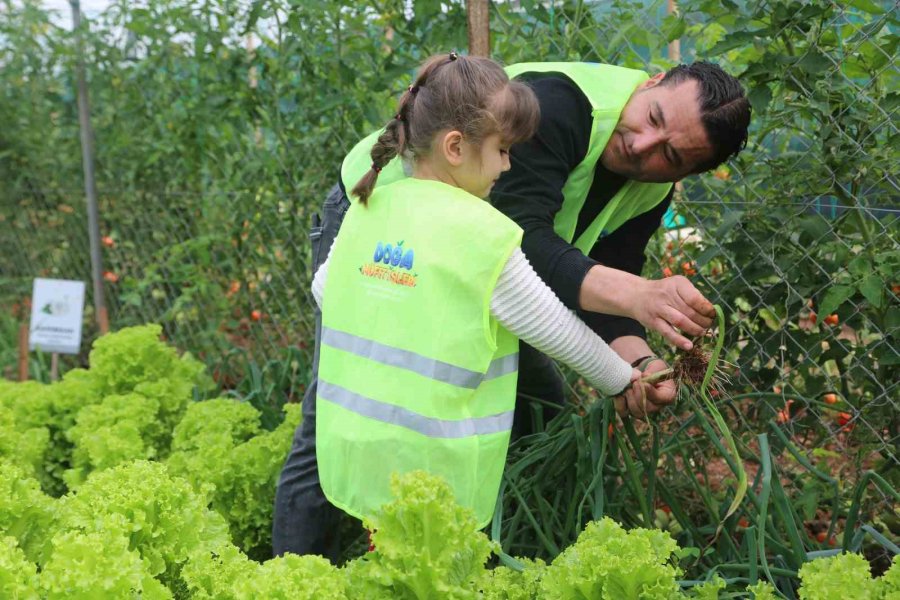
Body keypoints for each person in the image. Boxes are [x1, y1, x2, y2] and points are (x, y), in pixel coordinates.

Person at [274, 57, 751, 560]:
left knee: (537, 401)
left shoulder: (647, 191)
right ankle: (297, 571)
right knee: (337, 403)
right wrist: (619, 367)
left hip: (429, 255)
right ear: (652, 82)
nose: (642, 146)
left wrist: (640, 364)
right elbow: (534, 268)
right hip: (372, 218)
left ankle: (511, 552)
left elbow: (605, 281)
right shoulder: (558, 106)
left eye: (671, 156)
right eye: (653, 119)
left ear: (691, 173)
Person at [301, 51, 641, 545]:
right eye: (504, 150)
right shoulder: (485, 233)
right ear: (456, 147)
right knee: (427, 570)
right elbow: (552, 327)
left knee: (386, 557)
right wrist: (621, 378)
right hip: (437, 461)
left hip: (360, 443)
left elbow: (325, 288)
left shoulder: (372, 204)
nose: (507, 165)